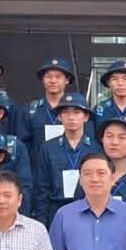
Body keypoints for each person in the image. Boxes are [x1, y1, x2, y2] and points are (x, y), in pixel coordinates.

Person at [32, 92, 102, 227]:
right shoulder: (48, 148)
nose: (71, 117)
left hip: (87, 211)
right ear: (59, 116)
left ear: (86, 117)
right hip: (56, 210)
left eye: (77, 112)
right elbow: (41, 190)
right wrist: (42, 224)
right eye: (65, 112)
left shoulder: (96, 148)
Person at [18, 57, 91, 157]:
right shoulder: (31, 110)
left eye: (58, 77)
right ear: (42, 79)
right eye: (48, 76)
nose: (53, 81)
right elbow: (22, 145)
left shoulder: (79, 109)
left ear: (67, 80)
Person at [94, 60, 126, 131]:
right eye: (114, 79)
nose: (120, 83)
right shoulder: (99, 110)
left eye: (125, 79)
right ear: (108, 83)